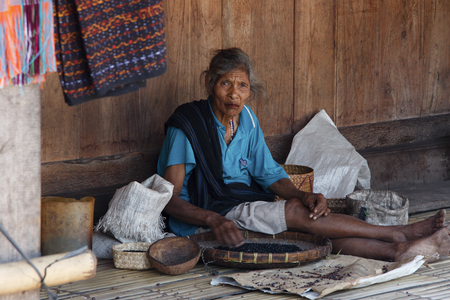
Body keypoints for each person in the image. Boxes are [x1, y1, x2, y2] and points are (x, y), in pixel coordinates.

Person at [157, 47, 450, 262]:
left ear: (249, 91)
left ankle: (396, 250)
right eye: (225, 84)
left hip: (237, 202)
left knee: (311, 227)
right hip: (204, 214)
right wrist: (212, 220)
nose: (234, 94)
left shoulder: (246, 120)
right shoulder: (188, 126)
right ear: (210, 84)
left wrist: (302, 195)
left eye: (242, 86)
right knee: (297, 214)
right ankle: (395, 233)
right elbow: (170, 200)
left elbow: (268, 174)